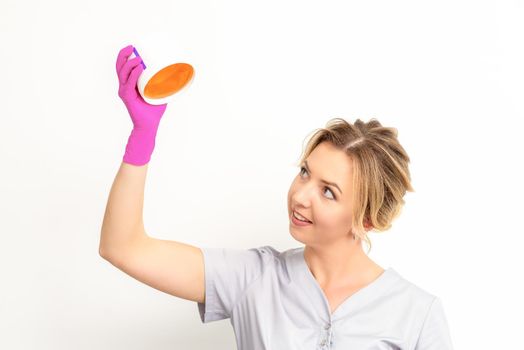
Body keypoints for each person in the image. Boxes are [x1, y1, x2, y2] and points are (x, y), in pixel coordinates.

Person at [99, 44, 454, 349]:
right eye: (304, 173)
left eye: (328, 192)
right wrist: (142, 137)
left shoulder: (417, 314)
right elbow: (123, 247)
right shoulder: (253, 278)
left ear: (367, 219)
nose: (300, 195)